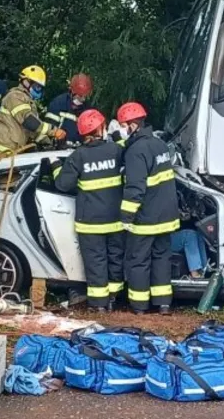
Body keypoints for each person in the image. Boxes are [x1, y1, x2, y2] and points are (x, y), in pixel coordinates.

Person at [51, 109, 125, 311]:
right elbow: (127, 154)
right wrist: (118, 137)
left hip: (90, 223)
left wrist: (57, 165)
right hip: (115, 220)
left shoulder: (78, 156)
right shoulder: (115, 151)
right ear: (101, 128)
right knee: (115, 259)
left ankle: (98, 305)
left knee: (96, 263)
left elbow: (62, 185)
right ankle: (114, 299)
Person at [118, 102, 179, 315]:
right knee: (162, 258)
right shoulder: (159, 144)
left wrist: (126, 216)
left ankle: (139, 305)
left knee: (138, 260)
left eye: (124, 125)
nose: (122, 129)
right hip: (167, 215)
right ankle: (163, 304)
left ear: (133, 125)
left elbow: (135, 187)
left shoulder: (136, 151)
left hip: (146, 218)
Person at [0, 65, 66, 157]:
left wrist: (49, 143)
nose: (38, 90)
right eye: (37, 86)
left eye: (40, 87)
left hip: (11, 152)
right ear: (26, 82)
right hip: (0, 152)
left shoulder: (28, 103)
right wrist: (53, 131)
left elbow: (33, 131)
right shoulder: (15, 96)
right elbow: (29, 121)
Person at [44, 73, 93, 146]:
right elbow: (48, 129)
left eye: (85, 96)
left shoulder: (87, 108)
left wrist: (88, 138)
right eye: (80, 96)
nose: (83, 99)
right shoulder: (58, 104)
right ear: (72, 92)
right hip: (57, 150)